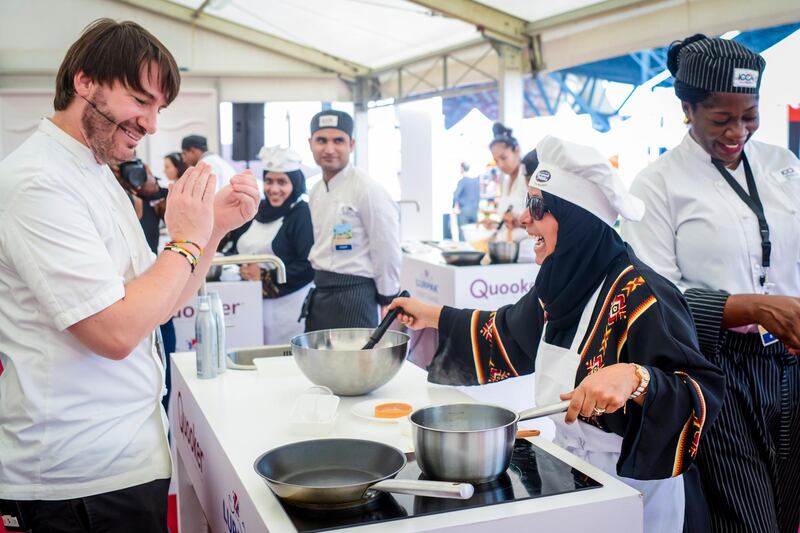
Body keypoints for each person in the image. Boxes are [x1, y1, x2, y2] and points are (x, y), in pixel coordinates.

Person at [389, 135, 725, 533]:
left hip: (638, 492)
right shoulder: (560, 283)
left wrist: (637, 379)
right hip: (575, 477)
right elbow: (508, 333)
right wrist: (431, 315)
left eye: (537, 206)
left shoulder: (644, 296)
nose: (523, 219)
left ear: (577, 220)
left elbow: (700, 391)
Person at [0, 19, 259, 531]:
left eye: (158, 108)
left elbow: (157, 303)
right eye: (141, 100)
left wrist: (212, 231)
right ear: (84, 81)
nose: (151, 123)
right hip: (75, 479)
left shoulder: (93, 172)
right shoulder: (39, 182)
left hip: (121, 456)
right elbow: (115, 332)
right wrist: (185, 238)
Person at [620, 34, 800, 533]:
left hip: (788, 363)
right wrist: (756, 308)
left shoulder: (783, 166)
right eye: (722, 118)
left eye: (750, 115)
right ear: (687, 108)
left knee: (791, 509)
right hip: (715, 373)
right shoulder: (657, 185)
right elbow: (656, 299)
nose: (737, 131)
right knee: (747, 520)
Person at [302, 109, 401, 331]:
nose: (329, 149)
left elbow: (386, 247)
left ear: (351, 144)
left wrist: (388, 297)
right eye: (321, 140)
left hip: (356, 293)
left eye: (338, 140)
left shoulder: (367, 189)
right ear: (310, 144)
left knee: (355, 365)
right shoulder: (316, 190)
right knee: (318, 363)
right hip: (321, 289)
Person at [227, 146, 314, 344]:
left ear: (295, 183)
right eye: (269, 181)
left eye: (282, 182)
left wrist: (265, 277)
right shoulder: (258, 209)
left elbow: (307, 266)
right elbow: (235, 247)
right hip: (250, 305)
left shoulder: (302, 214)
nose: (274, 189)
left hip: (287, 310)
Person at [486, 122, 534, 259]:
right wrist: (496, 224)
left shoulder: (529, 178)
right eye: (496, 160)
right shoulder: (506, 182)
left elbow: (541, 219)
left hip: (526, 251)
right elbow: (508, 219)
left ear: (517, 150)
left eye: (503, 158)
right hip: (505, 250)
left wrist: (518, 220)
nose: (500, 165)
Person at [452, 162, 480, 241]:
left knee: (463, 235)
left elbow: (456, 195)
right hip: (475, 211)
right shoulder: (476, 181)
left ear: (462, 168)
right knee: (474, 235)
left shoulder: (463, 181)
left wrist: (454, 206)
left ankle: (463, 253)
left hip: (464, 212)